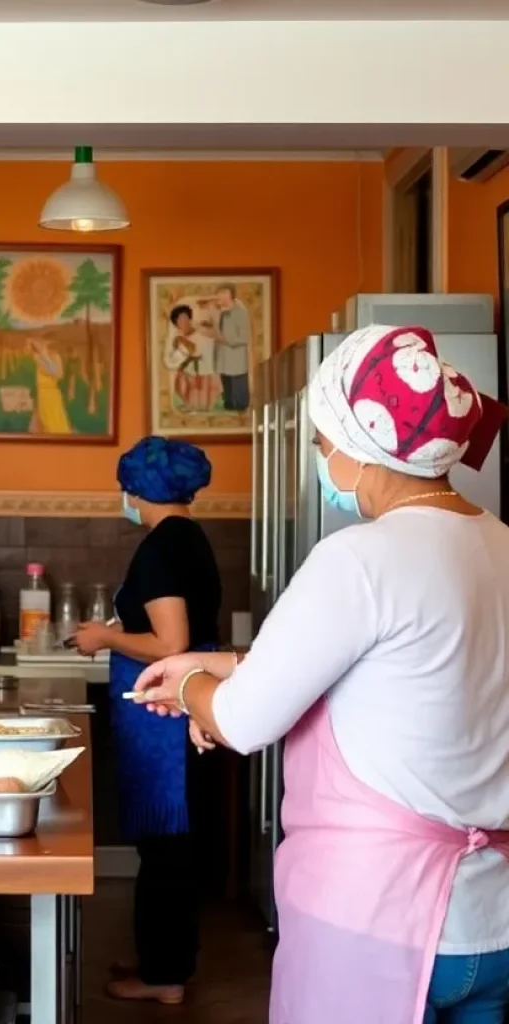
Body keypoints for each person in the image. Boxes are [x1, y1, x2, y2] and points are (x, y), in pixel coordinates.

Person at [135, 324, 509, 1024]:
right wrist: (210, 663)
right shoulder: (501, 544)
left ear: (361, 449)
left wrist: (189, 688)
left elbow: (244, 721)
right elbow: (406, 672)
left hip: (376, 920)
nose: (318, 455)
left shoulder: (360, 559)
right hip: (491, 924)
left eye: (319, 440)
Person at [71, 436, 222, 1005]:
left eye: (125, 486)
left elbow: (171, 642)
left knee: (165, 851)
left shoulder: (162, 548)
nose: (123, 496)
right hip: (179, 708)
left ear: (138, 488)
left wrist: (102, 635)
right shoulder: (189, 538)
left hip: (166, 716)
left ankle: (164, 979)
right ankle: (165, 963)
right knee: (169, 851)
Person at [210, 284, 250, 411]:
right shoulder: (219, 312)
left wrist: (225, 340)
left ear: (229, 295)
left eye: (221, 294)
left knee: (238, 391)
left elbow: (244, 337)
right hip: (223, 358)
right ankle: (229, 406)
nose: (218, 297)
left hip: (236, 359)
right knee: (227, 390)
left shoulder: (240, 313)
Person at [28, 336, 72, 435]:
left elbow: (58, 374)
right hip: (43, 393)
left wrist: (46, 355)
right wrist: (44, 355)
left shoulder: (55, 356)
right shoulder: (38, 357)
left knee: (54, 422)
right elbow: (51, 370)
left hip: (52, 393)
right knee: (41, 421)